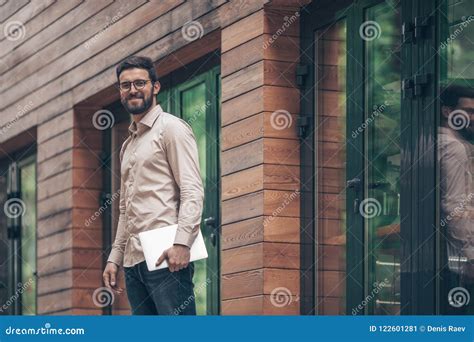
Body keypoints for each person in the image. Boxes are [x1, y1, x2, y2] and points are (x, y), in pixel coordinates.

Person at [102, 56, 204, 315]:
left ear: (155, 87)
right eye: (126, 85)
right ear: (120, 92)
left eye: (140, 82)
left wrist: (183, 243)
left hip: (166, 254)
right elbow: (126, 210)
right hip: (134, 261)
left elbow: (192, 190)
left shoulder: (171, 129)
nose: (133, 90)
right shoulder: (128, 145)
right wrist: (115, 257)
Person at [438, 84, 474, 314]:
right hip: (458, 257)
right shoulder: (453, 147)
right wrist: (471, 255)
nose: (472, 117)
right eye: (468, 111)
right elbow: (454, 206)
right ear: (447, 112)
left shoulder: (430, 140)